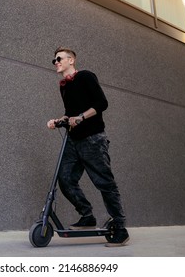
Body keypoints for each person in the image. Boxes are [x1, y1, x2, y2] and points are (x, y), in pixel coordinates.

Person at [47, 47, 129, 247]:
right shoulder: (64, 86)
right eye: (54, 60)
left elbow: (102, 103)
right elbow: (70, 112)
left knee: (104, 183)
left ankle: (120, 228)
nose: (55, 62)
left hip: (93, 139)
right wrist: (59, 120)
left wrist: (82, 117)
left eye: (59, 59)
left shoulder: (85, 76)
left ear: (71, 60)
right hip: (73, 140)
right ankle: (87, 215)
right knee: (65, 178)